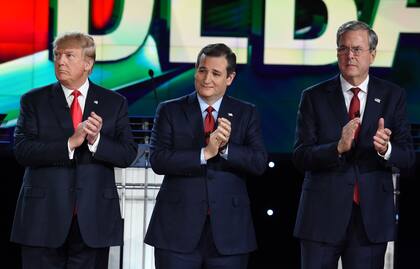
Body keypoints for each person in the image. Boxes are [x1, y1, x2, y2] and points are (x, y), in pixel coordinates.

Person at [293, 20, 415, 269]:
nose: (349, 55)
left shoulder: (393, 95)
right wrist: (337, 147)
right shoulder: (313, 97)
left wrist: (386, 149)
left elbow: (407, 157)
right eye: (343, 49)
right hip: (321, 218)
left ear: (372, 54)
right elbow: (300, 156)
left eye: (357, 49)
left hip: (370, 221)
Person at [10, 32, 138, 268]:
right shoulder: (33, 101)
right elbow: (22, 150)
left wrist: (96, 139)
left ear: (88, 64)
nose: (60, 61)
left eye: (69, 55)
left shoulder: (113, 102)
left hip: (93, 219)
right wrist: (70, 142)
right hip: (43, 219)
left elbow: (127, 153)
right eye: (57, 55)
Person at [144, 43, 267, 269]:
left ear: (230, 78)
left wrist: (226, 148)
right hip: (176, 231)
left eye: (216, 73)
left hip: (230, 234)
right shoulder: (169, 110)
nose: (206, 78)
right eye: (202, 70)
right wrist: (205, 153)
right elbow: (158, 159)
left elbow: (258, 162)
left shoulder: (245, 112)